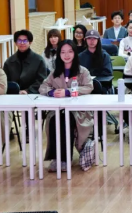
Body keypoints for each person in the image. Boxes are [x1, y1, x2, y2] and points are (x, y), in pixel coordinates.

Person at [39, 40, 94, 173]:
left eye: (70, 51)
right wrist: (52, 92)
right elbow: (43, 87)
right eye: (63, 52)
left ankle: (65, 159)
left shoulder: (83, 71)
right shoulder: (55, 72)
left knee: (65, 121)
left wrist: (68, 92)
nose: (66, 55)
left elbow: (89, 87)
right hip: (58, 110)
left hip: (78, 112)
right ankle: (56, 157)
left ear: (75, 53)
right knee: (54, 120)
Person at [3, 29, 47, 94]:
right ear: (15, 43)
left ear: (30, 42)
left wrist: (28, 91)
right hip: (13, 95)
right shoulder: (9, 62)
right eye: (19, 40)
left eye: (25, 40)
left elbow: (42, 80)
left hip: (33, 95)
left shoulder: (39, 60)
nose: (22, 43)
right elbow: (4, 81)